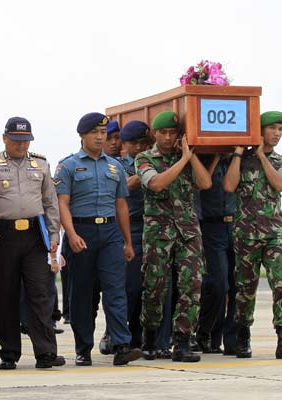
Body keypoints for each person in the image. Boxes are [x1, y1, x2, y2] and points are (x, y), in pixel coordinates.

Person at [0, 116, 65, 370]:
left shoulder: (41, 164)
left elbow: (50, 202)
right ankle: (9, 352)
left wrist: (55, 235)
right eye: (16, 141)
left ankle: (45, 352)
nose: (21, 146)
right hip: (2, 235)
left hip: (35, 235)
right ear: (5, 138)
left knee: (40, 292)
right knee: (6, 295)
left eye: (25, 141)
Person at [53, 113, 141, 366]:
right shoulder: (67, 166)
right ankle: (83, 349)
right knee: (82, 294)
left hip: (110, 234)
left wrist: (127, 241)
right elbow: (62, 204)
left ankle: (121, 344)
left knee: (116, 290)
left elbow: (121, 204)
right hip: (81, 232)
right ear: (82, 135)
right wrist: (71, 234)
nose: (100, 137)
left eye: (103, 132)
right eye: (95, 133)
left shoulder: (114, 166)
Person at [222, 111, 282, 360]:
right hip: (245, 234)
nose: (277, 133)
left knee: (281, 285)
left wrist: (260, 155)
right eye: (273, 128)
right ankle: (243, 338)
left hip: (273, 234)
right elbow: (228, 186)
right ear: (261, 130)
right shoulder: (241, 160)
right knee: (245, 290)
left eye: (280, 129)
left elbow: (280, 184)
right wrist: (239, 153)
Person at [136, 111, 211, 362]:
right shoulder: (145, 158)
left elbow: (205, 183)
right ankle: (150, 337)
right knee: (155, 286)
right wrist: (183, 161)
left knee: (192, 285)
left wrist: (190, 157)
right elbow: (156, 184)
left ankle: (182, 341)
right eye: (163, 133)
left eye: (173, 133)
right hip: (159, 232)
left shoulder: (186, 157)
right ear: (155, 134)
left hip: (188, 231)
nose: (168, 138)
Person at [194, 153, 237, 355]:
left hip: (237, 226)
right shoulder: (203, 160)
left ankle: (229, 340)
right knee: (218, 285)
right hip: (212, 227)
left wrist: (236, 153)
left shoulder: (241, 160)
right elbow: (203, 183)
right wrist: (216, 158)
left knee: (237, 286)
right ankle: (205, 333)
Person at [117, 120, 151, 349]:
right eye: (133, 144)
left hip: (155, 227)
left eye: (142, 143)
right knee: (131, 286)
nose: (138, 148)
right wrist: (145, 173)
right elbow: (123, 187)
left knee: (152, 287)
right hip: (131, 228)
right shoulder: (117, 165)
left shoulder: (156, 161)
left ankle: (139, 335)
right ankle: (118, 332)